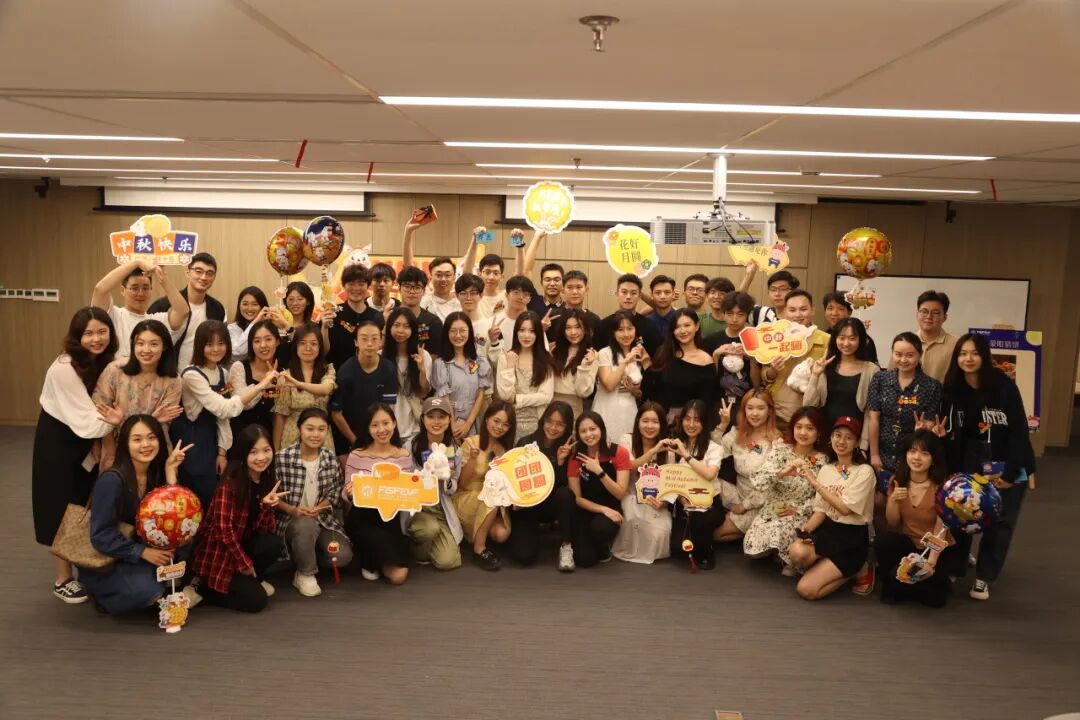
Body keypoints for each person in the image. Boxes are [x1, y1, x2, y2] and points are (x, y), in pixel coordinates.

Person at [941, 332, 1035, 601]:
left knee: (1000, 525)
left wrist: (1009, 474)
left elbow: (1019, 432)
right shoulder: (953, 388)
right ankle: (955, 568)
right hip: (970, 462)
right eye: (962, 354)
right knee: (961, 516)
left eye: (974, 353)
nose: (968, 359)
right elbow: (953, 433)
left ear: (984, 356)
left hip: (1008, 463)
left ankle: (984, 577)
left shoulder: (1004, 386)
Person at [33, 307, 118, 604]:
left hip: (86, 437)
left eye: (102, 332)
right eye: (88, 333)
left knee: (84, 501)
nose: (96, 339)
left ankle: (85, 566)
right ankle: (62, 578)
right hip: (60, 442)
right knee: (63, 505)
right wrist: (118, 421)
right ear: (76, 337)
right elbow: (91, 417)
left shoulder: (103, 361)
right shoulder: (64, 367)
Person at [80, 415, 187, 614]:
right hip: (111, 558)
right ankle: (103, 595)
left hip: (142, 548)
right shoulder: (111, 480)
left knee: (186, 549)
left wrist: (170, 471)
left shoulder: (155, 473)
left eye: (151, 437)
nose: (146, 445)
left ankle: (151, 584)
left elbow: (173, 516)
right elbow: (101, 536)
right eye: (137, 439)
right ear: (125, 444)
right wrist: (142, 552)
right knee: (148, 592)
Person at [172, 320, 277, 508]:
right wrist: (261, 385)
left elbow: (224, 418)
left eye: (221, 343)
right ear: (199, 345)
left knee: (219, 496)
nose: (216, 349)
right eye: (209, 344)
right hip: (195, 441)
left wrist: (222, 452)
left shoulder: (222, 372)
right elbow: (224, 408)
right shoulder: (191, 375)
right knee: (198, 497)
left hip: (216, 440)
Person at [190, 424, 286, 613]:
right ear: (243, 454)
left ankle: (251, 578)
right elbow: (223, 532)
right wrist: (245, 564)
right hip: (220, 552)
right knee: (257, 602)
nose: (261, 457)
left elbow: (265, 530)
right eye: (254, 452)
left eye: (266, 450)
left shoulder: (267, 479)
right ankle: (203, 589)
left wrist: (267, 507)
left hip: (243, 544)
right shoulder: (230, 484)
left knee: (273, 543)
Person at [787, 416, 876, 601]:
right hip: (828, 530)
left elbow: (845, 509)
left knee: (806, 590)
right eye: (837, 435)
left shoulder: (864, 471)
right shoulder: (827, 469)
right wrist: (806, 530)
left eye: (849, 437)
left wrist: (815, 483)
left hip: (852, 537)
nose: (841, 441)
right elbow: (821, 510)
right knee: (796, 552)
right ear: (831, 437)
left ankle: (858, 569)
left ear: (857, 443)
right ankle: (828, 565)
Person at [276, 408, 355, 596]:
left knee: (342, 556)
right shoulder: (282, 458)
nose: (315, 434)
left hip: (323, 520)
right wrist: (292, 510)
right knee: (305, 525)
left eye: (321, 429)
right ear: (299, 429)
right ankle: (305, 573)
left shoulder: (330, 459)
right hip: (291, 521)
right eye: (310, 429)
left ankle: (305, 553)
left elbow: (335, 492)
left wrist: (320, 507)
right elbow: (272, 497)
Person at [743, 407, 829, 575]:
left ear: (819, 432)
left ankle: (788, 558)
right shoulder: (780, 449)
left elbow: (821, 497)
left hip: (800, 512)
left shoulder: (822, 460)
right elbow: (759, 481)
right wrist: (781, 473)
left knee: (783, 536)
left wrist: (799, 510)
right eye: (799, 427)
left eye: (809, 428)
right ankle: (777, 553)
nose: (803, 432)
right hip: (773, 508)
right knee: (753, 546)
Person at [875, 430, 956, 607]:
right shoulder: (897, 481)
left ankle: (918, 582)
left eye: (924, 453)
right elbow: (893, 524)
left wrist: (929, 564)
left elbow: (940, 529)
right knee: (883, 542)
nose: (917, 457)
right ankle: (898, 579)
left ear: (933, 459)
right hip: (907, 545)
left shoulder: (942, 487)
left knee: (935, 600)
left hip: (933, 549)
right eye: (912, 451)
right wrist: (893, 500)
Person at [93, 319, 182, 470]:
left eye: (154, 344)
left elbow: (164, 420)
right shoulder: (115, 370)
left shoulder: (173, 380)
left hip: (153, 446)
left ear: (165, 346)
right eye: (140, 343)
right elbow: (102, 413)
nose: (146, 350)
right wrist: (110, 451)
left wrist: (123, 420)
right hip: (116, 444)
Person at [342, 403, 416, 584]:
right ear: (368, 429)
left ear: (394, 424)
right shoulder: (357, 455)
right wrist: (349, 493)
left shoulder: (404, 455)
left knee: (398, 577)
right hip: (362, 517)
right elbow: (345, 493)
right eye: (374, 425)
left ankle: (373, 559)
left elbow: (406, 490)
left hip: (390, 518)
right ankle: (367, 557)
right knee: (392, 573)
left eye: (386, 423)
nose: (381, 429)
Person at [508, 401, 578, 571]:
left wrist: (560, 462)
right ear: (543, 420)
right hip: (527, 507)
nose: (553, 428)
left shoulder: (569, 449)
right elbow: (513, 477)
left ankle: (566, 546)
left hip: (552, 504)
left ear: (567, 427)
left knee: (565, 494)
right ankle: (531, 532)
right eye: (549, 421)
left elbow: (564, 487)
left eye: (560, 424)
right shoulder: (526, 442)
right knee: (523, 556)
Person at [712, 389, 787, 544]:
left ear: (769, 411)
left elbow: (770, 483)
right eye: (750, 408)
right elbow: (713, 451)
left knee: (717, 535)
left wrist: (743, 507)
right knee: (709, 482)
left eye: (761, 408)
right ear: (744, 410)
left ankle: (756, 532)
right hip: (739, 493)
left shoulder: (776, 441)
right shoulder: (737, 433)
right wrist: (723, 424)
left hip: (762, 502)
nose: (754, 413)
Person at [867, 333, 944, 481]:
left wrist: (921, 430)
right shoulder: (880, 379)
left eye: (910, 355)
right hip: (881, 454)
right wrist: (874, 454)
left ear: (920, 354)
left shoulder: (932, 386)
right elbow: (874, 419)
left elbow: (929, 424)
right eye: (898, 354)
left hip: (911, 458)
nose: (903, 360)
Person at [453, 401, 517, 571]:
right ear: (487, 418)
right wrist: (472, 459)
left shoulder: (505, 451)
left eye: (506, 424)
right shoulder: (471, 442)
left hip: (492, 502)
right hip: (467, 496)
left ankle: (477, 531)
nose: (499, 427)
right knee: (492, 499)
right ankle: (479, 549)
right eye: (496, 421)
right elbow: (462, 484)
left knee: (501, 534)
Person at [405, 397, 464, 570]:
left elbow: (453, 488)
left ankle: (428, 544)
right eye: (431, 417)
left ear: (449, 419)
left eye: (442, 417)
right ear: (423, 419)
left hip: (440, 507)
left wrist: (445, 479)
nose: (436, 422)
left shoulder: (454, 450)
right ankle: (419, 550)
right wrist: (423, 477)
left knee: (449, 561)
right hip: (417, 507)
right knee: (429, 529)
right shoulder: (411, 446)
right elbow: (404, 481)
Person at [566, 411, 632, 568]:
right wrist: (602, 509)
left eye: (592, 429)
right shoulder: (575, 457)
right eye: (583, 431)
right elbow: (577, 498)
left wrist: (599, 472)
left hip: (611, 510)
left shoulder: (619, 452)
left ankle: (603, 544)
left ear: (601, 429)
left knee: (601, 529)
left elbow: (620, 493)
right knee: (585, 560)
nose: (589, 434)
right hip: (587, 508)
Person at [612, 402, 674, 564]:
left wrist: (664, 503)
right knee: (634, 525)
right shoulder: (626, 440)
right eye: (645, 421)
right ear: (637, 421)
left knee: (660, 534)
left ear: (662, 425)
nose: (650, 426)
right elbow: (629, 466)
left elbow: (671, 482)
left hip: (655, 500)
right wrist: (653, 451)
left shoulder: (668, 449)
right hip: (630, 495)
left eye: (655, 422)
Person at [667, 400, 727, 570]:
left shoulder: (714, 448)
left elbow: (709, 474)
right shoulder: (675, 445)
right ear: (681, 420)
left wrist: (686, 455)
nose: (691, 424)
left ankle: (707, 550)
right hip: (682, 501)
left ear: (705, 423)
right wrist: (681, 499)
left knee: (701, 518)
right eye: (687, 419)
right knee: (678, 549)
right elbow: (670, 479)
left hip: (709, 500)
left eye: (697, 420)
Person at [91, 258, 187, 360]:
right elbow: (100, 290)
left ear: (151, 290)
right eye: (135, 288)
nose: (141, 293)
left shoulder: (157, 321)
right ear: (123, 290)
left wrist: (162, 277)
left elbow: (182, 311)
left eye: (145, 288)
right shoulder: (113, 315)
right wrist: (136, 262)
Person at [330, 319, 399, 458]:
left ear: (381, 342)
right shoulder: (345, 372)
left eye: (374, 339)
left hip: (380, 436)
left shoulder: (389, 369)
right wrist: (355, 442)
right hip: (349, 438)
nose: (369, 344)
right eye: (364, 339)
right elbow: (336, 413)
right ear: (356, 342)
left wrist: (379, 440)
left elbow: (388, 410)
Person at [763, 289, 830, 430]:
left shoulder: (826, 340)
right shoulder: (775, 337)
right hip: (777, 412)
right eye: (792, 310)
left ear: (813, 310)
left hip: (810, 413)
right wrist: (773, 371)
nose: (798, 315)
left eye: (803, 309)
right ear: (784, 312)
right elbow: (765, 374)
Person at [149, 252, 226, 369]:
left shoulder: (217, 308)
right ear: (188, 273)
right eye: (198, 271)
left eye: (209, 273)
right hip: (168, 372)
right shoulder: (164, 304)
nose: (204, 277)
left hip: (202, 372)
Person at [803, 318, 880, 434]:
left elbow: (871, 413)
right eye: (842, 338)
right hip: (826, 434)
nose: (846, 343)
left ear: (861, 340)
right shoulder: (825, 366)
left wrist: (864, 442)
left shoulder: (872, 370)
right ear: (835, 339)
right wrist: (815, 375)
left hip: (855, 436)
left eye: (852, 338)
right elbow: (808, 405)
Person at [273, 323, 336, 453]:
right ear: (296, 346)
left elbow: (325, 389)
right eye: (302, 343)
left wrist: (299, 384)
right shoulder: (287, 375)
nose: (308, 348)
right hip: (292, 437)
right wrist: (276, 451)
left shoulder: (327, 370)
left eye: (313, 343)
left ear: (320, 347)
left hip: (321, 435)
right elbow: (280, 415)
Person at [645, 308, 716, 422]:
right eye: (677, 327)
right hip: (657, 420)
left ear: (697, 326)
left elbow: (706, 402)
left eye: (687, 325)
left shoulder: (705, 360)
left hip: (687, 423)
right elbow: (651, 388)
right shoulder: (663, 352)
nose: (682, 331)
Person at [431, 312, 492, 441]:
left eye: (462, 330)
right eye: (453, 331)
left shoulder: (479, 361)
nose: (458, 335)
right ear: (447, 334)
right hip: (448, 420)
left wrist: (468, 423)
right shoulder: (441, 364)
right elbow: (445, 397)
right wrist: (453, 424)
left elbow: (480, 394)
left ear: (470, 332)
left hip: (474, 419)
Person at [496, 311, 554, 441]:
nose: (526, 335)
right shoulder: (505, 357)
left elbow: (546, 396)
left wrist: (517, 400)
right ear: (516, 332)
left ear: (538, 334)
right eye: (522, 330)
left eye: (532, 331)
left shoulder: (545, 359)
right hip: (508, 423)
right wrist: (510, 367)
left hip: (537, 423)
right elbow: (505, 396)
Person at [593, 310, 648, 443]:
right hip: (607, 409)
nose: (626, 334)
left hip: (629, 410)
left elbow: (643, 390)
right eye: (620, 330)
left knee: (628, 447)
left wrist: (635, 391)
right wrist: (625, 361)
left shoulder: (640, 353)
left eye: (630, 329)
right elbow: (609, 385)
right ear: (613, 333)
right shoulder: (604, 353)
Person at [384, 307, 432, 444]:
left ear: (413, 330)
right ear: (389, 327)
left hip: (414, 425)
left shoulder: (423, 355)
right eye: (396, 325)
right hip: (387, 427)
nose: (400, 330)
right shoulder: (381, 356)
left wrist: (421, 369)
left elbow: (423, 393)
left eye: (406, 326)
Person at [323, 264, 384, 370]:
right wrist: (324, 327)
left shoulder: (376, 317)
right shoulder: (333, 314)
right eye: (351, 284)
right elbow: (322, 351)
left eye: (361, 284)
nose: (356, 288)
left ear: (368, 286)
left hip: (367, 374)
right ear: (343, 286)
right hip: (335, 375)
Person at [228, 318, 280, 437]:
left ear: (277, 341)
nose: (263, 345)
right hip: (241, 436)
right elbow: (241, 404)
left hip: (267, 438)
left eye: (268, 339)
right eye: (257, 341)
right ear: (251, 344)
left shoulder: (281, 372)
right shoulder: (239, 367)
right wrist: (263, 384)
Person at [710, 291, 759, 415]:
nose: (734, 319)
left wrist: (752, 359)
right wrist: (716, 355)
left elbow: (758, 384)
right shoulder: (712, 339)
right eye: (730, 314)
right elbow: (708, 380)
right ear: (723, 314)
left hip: (747, 404)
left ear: (747, 315)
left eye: (740, 314)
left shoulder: (755, 339)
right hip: (717, 401)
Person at [475, 275, 539, 362]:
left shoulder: (534, 323)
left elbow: (542, 351)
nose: (520, 297)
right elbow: (482, 355)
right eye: (516, 292)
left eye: (525, 294)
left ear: (529, 299)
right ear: (506, 295)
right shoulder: (492, 323)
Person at [594, 274, 662, 355]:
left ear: (639, 296)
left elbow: (657, 357)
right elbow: (597, 356)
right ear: (617, 295)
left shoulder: (650, 327)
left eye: (633, 293)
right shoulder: (603, 325)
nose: (628, 297)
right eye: (624, 292)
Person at [549, 309, 599, 418]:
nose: (573, 332)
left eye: (577, 327)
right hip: (550, 405)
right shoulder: (554, 350)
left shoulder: (592, 355)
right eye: (568, 328)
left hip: (573, 409)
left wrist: (585, 366)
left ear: (585, 329)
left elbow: (583, 392)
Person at [397, 265, 444, 359]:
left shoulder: (433, 322)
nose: (412, 291)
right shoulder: (390, 317)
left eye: (417, 287)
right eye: (407, 286)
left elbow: (436, 354)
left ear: (423, 291)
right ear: (399, 289)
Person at [911, 290, 957, 383]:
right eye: (924, 311)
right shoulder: (906, 342)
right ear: (917, 314)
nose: (929, 317)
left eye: (935, 312)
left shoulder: (956, 345)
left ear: (944, 317)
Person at [226, 286, 270, 362]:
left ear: (262, 307)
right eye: (245, 304)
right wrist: (256, 321)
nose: (249, 308)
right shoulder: (232, 328)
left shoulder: (269, 327)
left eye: (255, 304)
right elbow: (238, 351)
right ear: (239, 305)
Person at [561, 270, 602, 339]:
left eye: (579, 287)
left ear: (586, 290)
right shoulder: (554, 316)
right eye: (570, 287)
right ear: (562, 290)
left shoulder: (595, 319)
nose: (574, 292)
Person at [698, 276, 735, 342]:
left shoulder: (735, 322)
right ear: (706, 296)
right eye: (713, 292)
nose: (717, 296)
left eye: (722, 293)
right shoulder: (698, 319)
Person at [477, 252, 508, 318]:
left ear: (502, 277)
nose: (491, 277)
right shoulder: (474, 297)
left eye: (496, 273)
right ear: (479, 275)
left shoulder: (507, 297)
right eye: (487, 272)